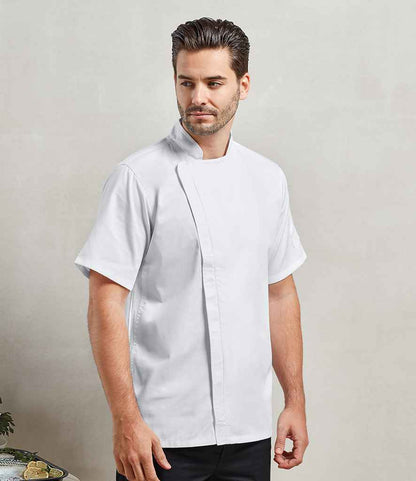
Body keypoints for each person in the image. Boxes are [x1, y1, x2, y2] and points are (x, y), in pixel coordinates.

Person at [74, 16, 309, 481]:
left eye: (214, 83)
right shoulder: (138, 178)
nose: (198, 97)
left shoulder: (267, 179)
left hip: (248, 432)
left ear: (243, 85)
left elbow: (280, 294)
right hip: (161, 437)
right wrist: (126, 421)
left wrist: (295, 401)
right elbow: (105, 301)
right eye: (187, 83)